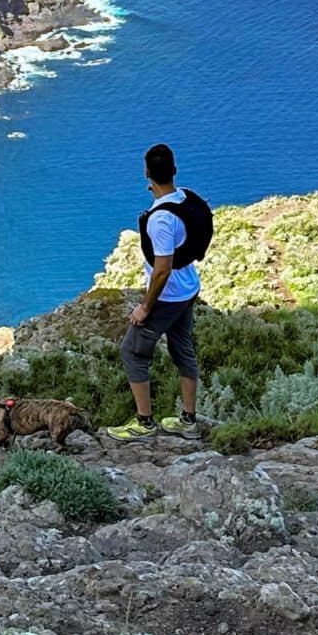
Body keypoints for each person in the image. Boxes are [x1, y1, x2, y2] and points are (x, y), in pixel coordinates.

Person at [107, 143, 211, 438]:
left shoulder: (160, 219)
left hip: (167, 297)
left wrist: (145, 307)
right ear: (174, 171)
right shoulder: (186, 198)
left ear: (147, 174)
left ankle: (144, 423)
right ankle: (189, 422)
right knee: (183, 350)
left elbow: (162, 269)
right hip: (188, 287)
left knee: (132, 352)